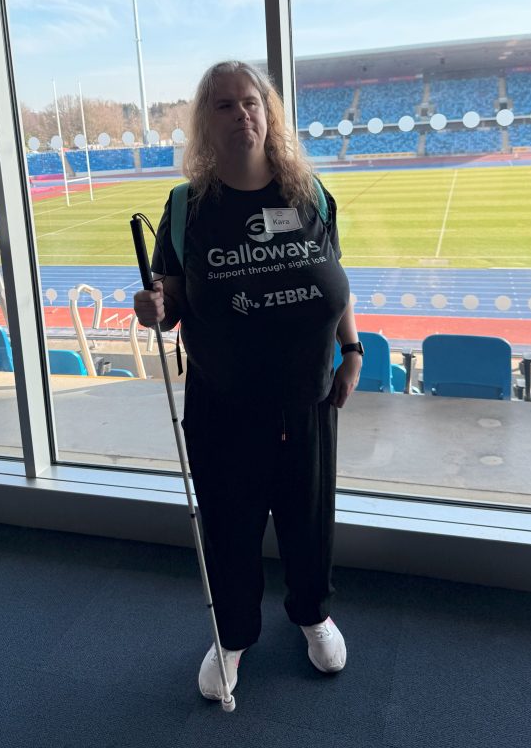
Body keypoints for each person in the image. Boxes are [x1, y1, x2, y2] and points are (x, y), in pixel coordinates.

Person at [133, 60, 363, 701]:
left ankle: (312, 613)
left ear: (269, 111)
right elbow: (171, 297)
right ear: (206, 122)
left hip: (309, 399)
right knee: (229, 528)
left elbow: (336, 281)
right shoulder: (187, 209)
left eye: (251, 101)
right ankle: (232, 636)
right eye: (225, 105)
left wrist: (353, 350)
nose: (242, 114)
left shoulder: (310, 194)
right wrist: (154, 307)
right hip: (224, 406)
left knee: (309, 520)